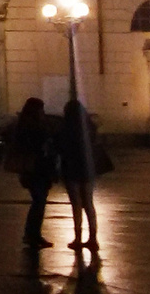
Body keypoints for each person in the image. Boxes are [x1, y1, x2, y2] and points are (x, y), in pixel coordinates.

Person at [6, 98, 59, 249]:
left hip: (32, 170)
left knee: (38, 202)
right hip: (37, 169)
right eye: (41, 109)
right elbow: (40, 146)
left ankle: (33, 234)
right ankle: (32, 234)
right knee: (39, 202)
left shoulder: (22, 126)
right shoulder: (33, 127)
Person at [57, 99, 104, 251]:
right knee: (89, 204)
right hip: (87, 168)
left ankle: (78, 238)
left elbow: (60, 148)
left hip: (71, 168)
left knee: (76, 205)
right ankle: (93, 238)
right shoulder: (89, 128)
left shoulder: (65, 129)